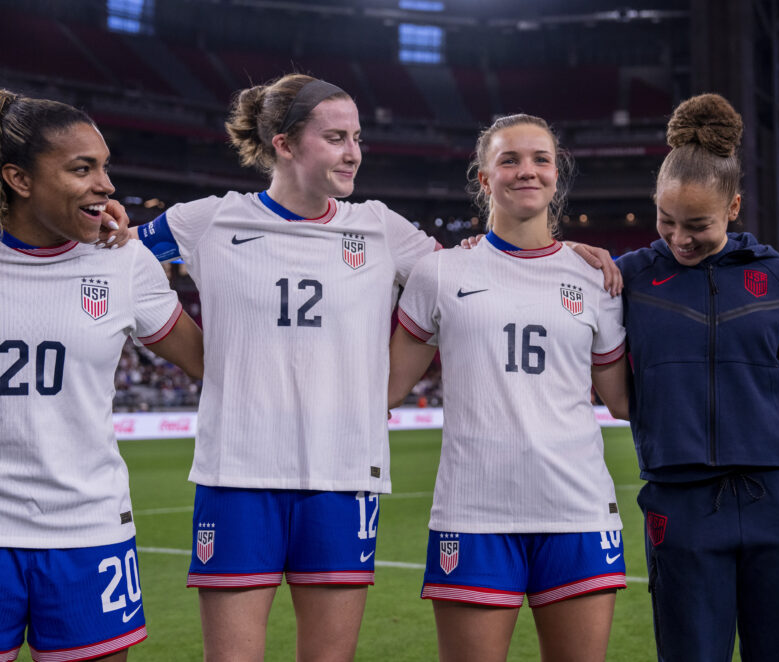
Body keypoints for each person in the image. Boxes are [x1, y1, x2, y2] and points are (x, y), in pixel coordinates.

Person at [122, 75, 620, 660]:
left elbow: (483, 271)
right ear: (284, 143)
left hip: (345, 477)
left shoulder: (381, 229)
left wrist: (570, 254)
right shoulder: (206, 221)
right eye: (336, 137)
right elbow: (113, 255)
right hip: (236, 471)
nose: (353, 151)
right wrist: (193, 347)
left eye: (357, 137)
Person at [387, 113, 631, 662]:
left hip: (578, 510)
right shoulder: (440, 273)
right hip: (474, 513)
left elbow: (621, 400)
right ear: (483, 178)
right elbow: (386, 386)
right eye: (510, 160)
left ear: (557, 175)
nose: (528, 171)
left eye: (541, 159)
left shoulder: (598, 278)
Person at [615, 93, 779, 661]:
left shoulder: (773, 274)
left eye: (698, 225)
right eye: (666, 220)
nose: (679, 238)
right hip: (682, 505)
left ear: (733, 207)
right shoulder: (628, 278)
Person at [0, 91, 203, 661]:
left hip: (88, 530)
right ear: (18, 178)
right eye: (81, 168)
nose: (106, 185)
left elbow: (211, 364)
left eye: (104, 166)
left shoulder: (124, 262)